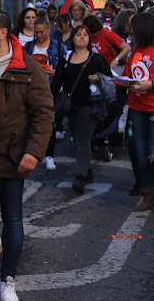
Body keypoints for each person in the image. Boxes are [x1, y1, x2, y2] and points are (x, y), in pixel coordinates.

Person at [0, 7, 54, 301]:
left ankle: (7, 280)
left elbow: (44, 113)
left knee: (12, 218)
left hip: (11, 157)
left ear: (3, 33)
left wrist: (34, 152)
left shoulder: (28, 68)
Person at [51, 25, 111, 194]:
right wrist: (50, 99)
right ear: (73, 39)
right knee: (78, 140)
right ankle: (87, 170)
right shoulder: (66, 58)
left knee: (83, 140)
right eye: (78, 35)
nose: (82, 37)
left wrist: (98, 77)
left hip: (89, 105)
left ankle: (80, 177)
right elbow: (57, 82)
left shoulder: (96, 59)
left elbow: (109, 78)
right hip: (70, 106)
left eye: (85, 35)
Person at [25, 16, 67, 171]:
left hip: (51, 91)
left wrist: (54, 72)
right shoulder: (28, 47)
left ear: (49, 30)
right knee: (29, 123)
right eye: (36, 32)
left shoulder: (58, 48)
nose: (39, 35)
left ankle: (49, 156)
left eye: (42, 32)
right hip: (31, 90)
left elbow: (64, 73)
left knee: (50, 124)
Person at [123, 13, 154, 211]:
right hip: (136, 107)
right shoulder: (135, 49)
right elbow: (127, 74)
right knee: (139, 152)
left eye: (132, 27)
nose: (130, 31)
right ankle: (148, 193)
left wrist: (150, 84)